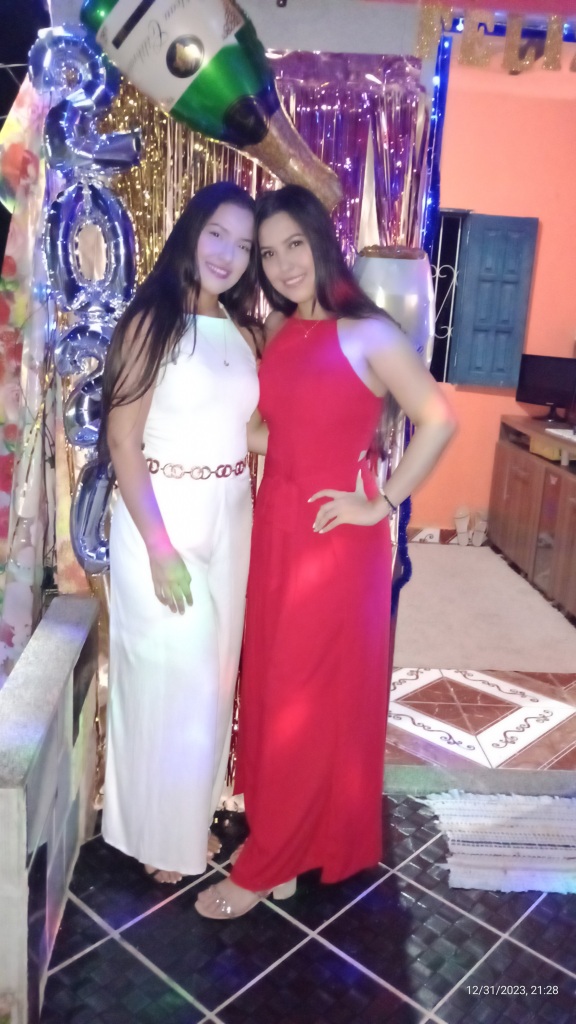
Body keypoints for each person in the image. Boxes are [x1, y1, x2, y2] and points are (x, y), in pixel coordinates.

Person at [195, 184, 456, 918]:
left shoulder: (367, 332)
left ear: (320, 242)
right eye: (268, 253)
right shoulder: (281, 330)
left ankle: (268, 865)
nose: (283, 265)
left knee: (300, 699)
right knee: (275, 691)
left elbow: (438, 419)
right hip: (277, 528)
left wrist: (381, 501)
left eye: (294, 246)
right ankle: (288, 841)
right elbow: (278, 431)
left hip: (336, 544)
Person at [100, 182, 261, 884]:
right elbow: (123, 440)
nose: (228, 253)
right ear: (192, 231)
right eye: (218, 233)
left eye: (244, 244)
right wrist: (159, 548)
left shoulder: (241, 329)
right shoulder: (152, 320)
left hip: (232, 511)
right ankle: (156, 839)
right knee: (174, 678)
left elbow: (244, 429)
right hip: (161, 513)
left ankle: (184, 827)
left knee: (213, 681)